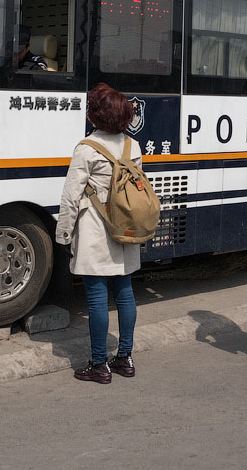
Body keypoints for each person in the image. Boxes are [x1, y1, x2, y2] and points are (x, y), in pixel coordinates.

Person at [56, 83, 140, 384]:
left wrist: (63, 235)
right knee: (125, 292)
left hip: (95, 230)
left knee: (96, 296)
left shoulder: (86, 149)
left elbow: (70, 197)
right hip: (126, 230)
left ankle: (98, 364)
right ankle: (125, 358)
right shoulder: (133, 146)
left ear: (94, 117)